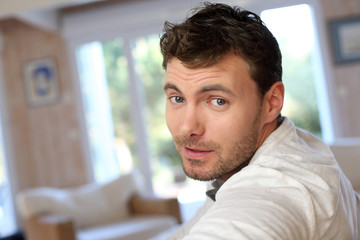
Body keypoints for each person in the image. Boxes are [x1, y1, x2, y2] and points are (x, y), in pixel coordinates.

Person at [160, 2, 359, 239]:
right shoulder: (289, 147)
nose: (187, 127)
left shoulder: (275, 187)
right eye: (177, 98)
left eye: (218, 101)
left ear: (272, 102)